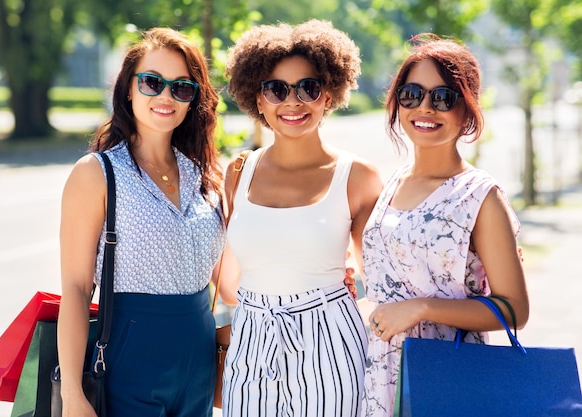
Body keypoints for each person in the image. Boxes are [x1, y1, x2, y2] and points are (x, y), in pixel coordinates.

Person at [217, 19, 384, 417]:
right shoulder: (238, 172)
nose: (293, 102)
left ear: (328, 97)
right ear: (258, 100)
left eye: (308, 88)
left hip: (330, 337)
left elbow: (380, 283)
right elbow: (229, 288)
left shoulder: (357, 176)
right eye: (276, 89)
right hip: (251, 338)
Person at [56, 27, 225, 417]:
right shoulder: (97, 173)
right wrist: (72, 393)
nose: (165, 96)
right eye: (152, 82)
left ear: (193, 101)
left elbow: (228, 281)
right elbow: (77, 289)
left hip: (197, 358)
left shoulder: (205, 176)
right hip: (127, 361)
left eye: (181, 88)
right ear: (128, 90)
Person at [360, 33, 530, 417]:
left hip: (449, 372)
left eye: (443, 98)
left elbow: (515, 309)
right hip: (382, 372)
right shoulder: (393, 182)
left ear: (466, 110)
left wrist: (421, 308)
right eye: (412, 94)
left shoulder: (480, 197)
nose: (425, 107)